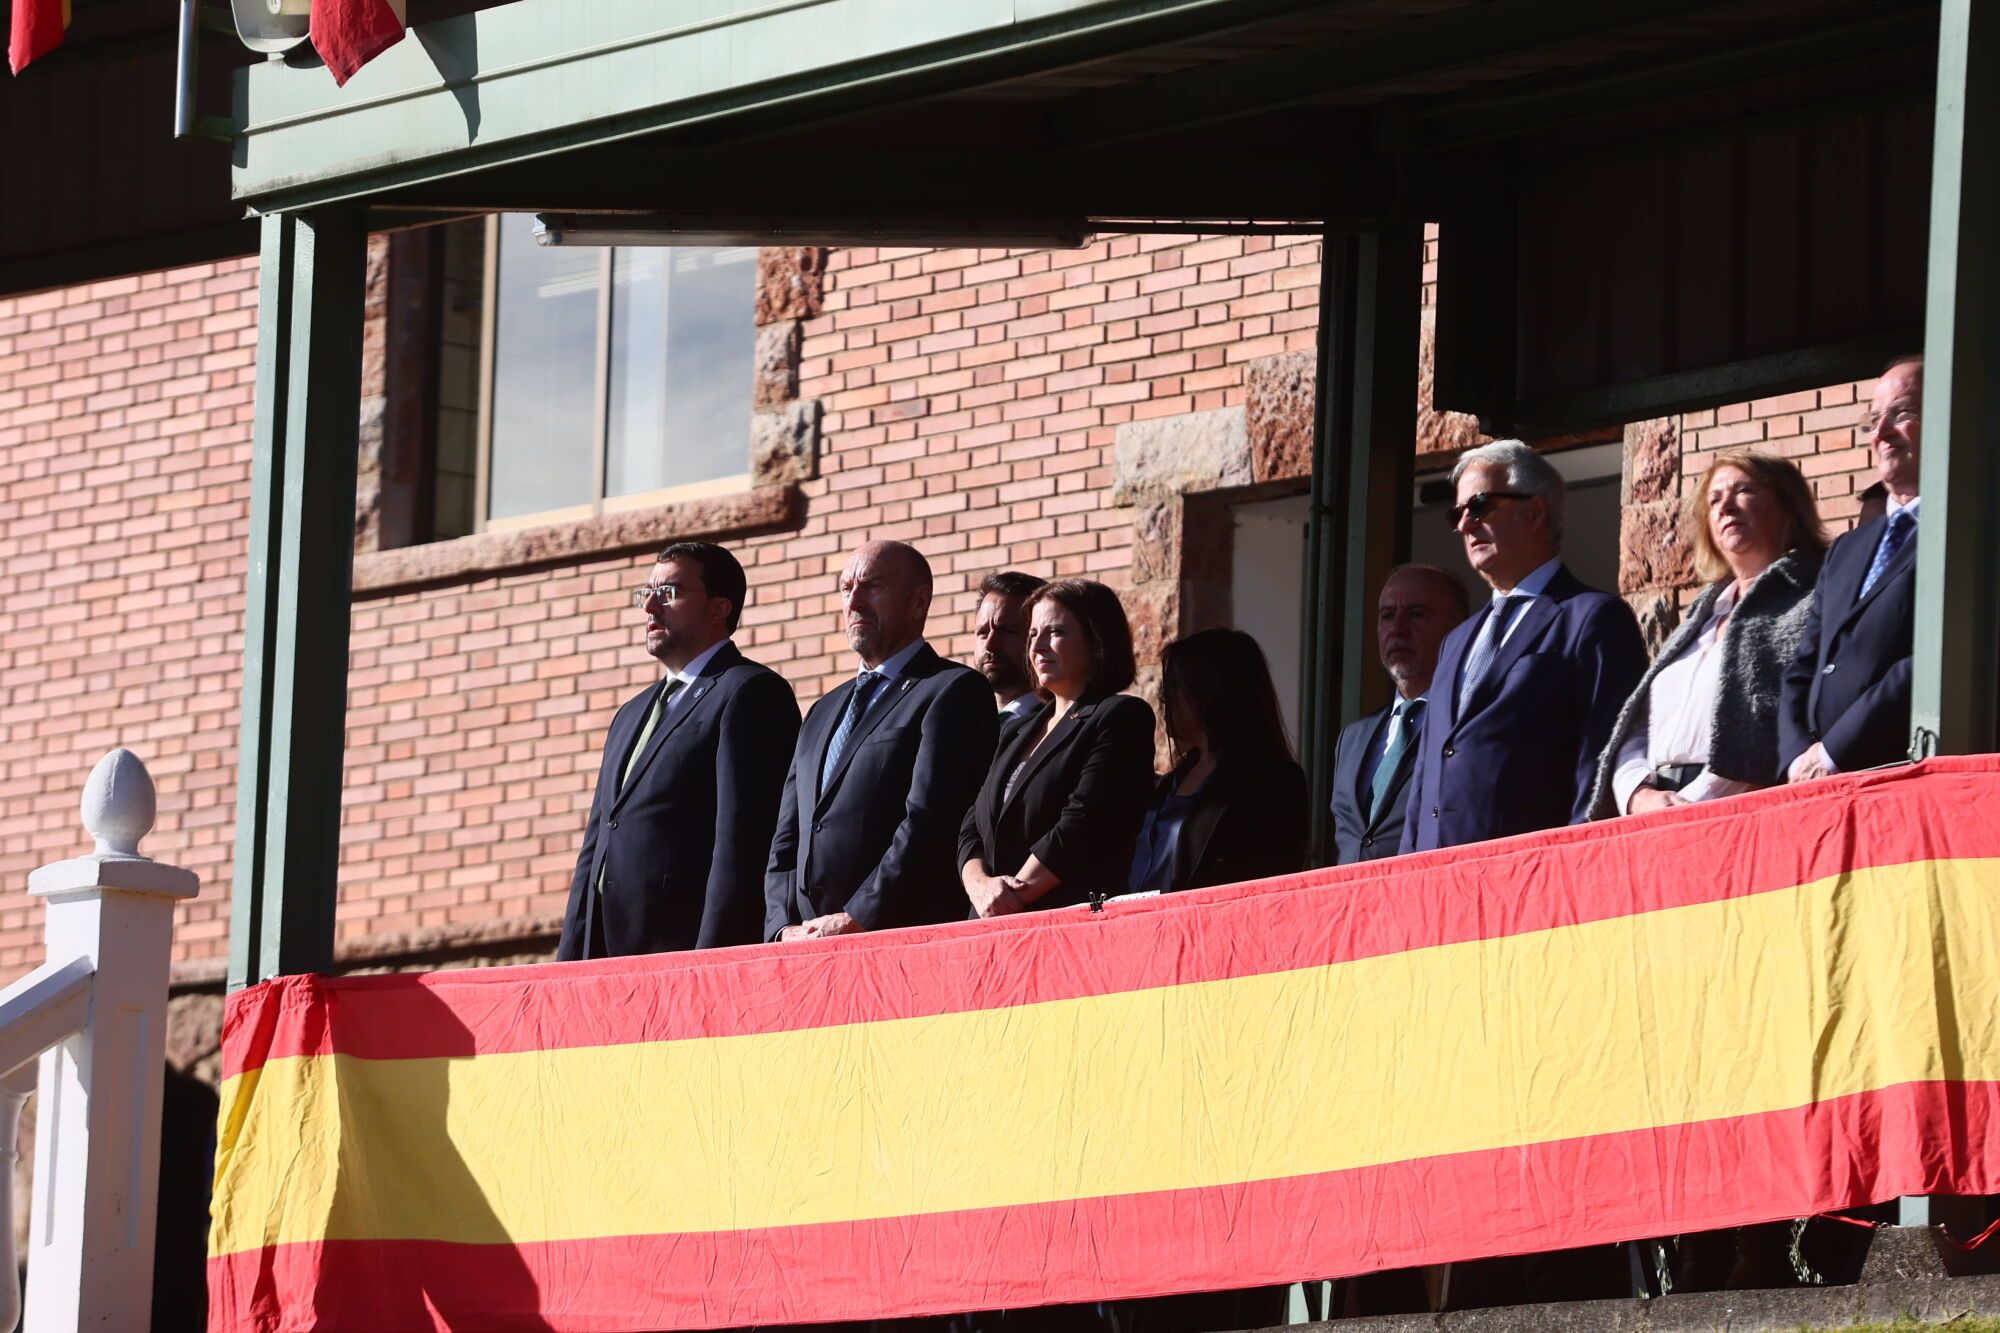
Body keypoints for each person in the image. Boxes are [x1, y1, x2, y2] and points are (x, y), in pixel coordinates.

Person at [1401, 440, 1647, 855]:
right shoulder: (1456, 642)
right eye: (1456, 514)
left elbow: (1600, 765)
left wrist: (1575, 866)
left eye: (1478, 506)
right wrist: (1406, 874)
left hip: (1531, 883)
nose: (1464, 525)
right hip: (1436, 890)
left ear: (1534, 511)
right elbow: (1427, 776)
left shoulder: (1592, 618)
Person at [558, 542, 798, 960]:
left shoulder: (748, 691)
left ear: (719, 608)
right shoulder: (630, 714)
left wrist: (714, 959)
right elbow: (596, 848)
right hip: (607, 953)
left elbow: (742, 844)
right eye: (646, 593)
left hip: (682, 951)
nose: (650, 606)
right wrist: (568, 963)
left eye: (669, 593)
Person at [764, 540, 998, 942]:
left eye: (872, 587)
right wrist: (782, 927)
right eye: (845, 588)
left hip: (895, 939)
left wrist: (859, 916)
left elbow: (930, 821)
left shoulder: (952, 690)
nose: (853, 601)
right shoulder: (822, 710)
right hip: (805, 946)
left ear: (918, 602)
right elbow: (788, 835)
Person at [1589, 451, 1825, 819]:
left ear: (1787, 508)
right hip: (1654, 813)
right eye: (1714, 500)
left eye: (1743, 490)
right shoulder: (1700, 614)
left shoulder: (1811, 600)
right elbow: (1640, 723)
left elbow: (1772, 724)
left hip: (1736, 812)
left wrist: (1692, 803)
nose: (1725, 506)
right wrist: (1636, 793)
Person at [959, 579, 1155, 916]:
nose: (1038, 647)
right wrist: (980, 887)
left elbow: (1084, 823)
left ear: (1096, 642)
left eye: (1056, 632)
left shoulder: (1119, 716)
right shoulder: (1018, 729)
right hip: (988, 921)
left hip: (1067, 923)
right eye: (1033, 634)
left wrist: (1011, 896)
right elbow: (972, 825)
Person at [1782, 356, 1923, 782]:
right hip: (1815, 784)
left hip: (1901, 773)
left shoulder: (1967, 530)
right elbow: (1803, 665)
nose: (1880, 433)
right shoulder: (1847, 548)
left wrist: (1833, 752)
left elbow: (1932, 656)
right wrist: (1795, 759)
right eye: (1874, 418)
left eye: (1901, 414)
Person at [1126, 628, 1308, 895]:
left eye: (1175, 686)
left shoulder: (1271, 780)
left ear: (1210, 690)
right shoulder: (1172, 780)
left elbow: (1266, 882)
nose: (1164, 699)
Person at [1331, 564, 1468, 864]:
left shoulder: (1469, 726)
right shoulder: (1352, 739)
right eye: (1387, 616)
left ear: (1459, 628)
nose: (1398, 628)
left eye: (1416, 614)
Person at [973, 570, 1045, 723]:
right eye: (983, 632)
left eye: (1007, 631)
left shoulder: (1056, 723)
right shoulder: (959, 723)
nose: (990, 645)